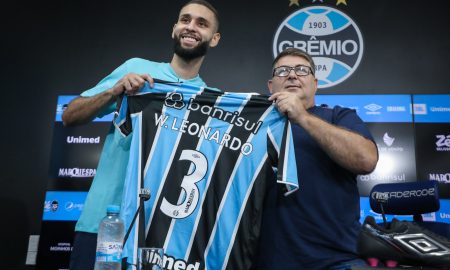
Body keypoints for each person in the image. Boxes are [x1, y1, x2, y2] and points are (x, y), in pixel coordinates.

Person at [62, 1, 221, 269]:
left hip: (161, 235)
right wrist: (114, 92)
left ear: (214, 39)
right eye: (185, 20)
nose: (191, 27)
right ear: (174, 29)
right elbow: (69, 116)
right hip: (105, 224)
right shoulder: (135, 69)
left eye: (202, 23)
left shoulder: (211, 102)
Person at [255, 48, 379, 270]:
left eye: (302, 70)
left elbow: (366, 160)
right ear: (271, 86)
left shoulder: (340, 116)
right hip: (266, 262)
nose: (292, 75)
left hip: (338, 261)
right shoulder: (253, 127)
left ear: (315, 83)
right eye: (283, 71)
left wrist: (301, 116)